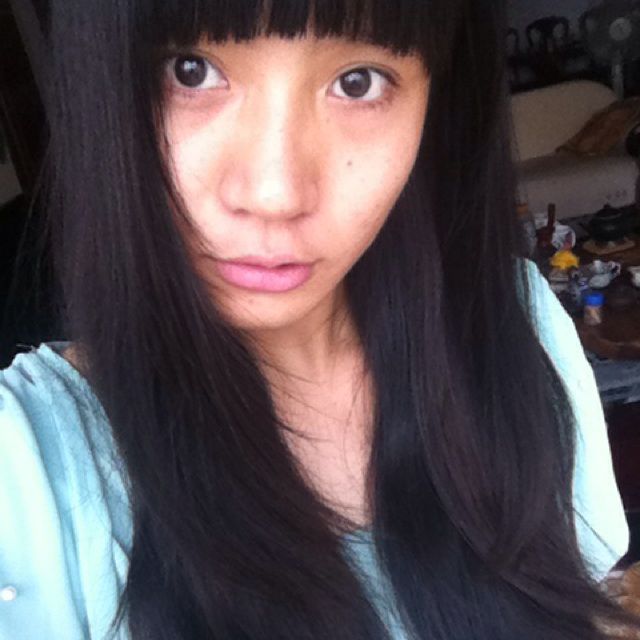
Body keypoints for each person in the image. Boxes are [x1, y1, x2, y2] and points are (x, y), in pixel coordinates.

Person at [0, 1, 636, 638]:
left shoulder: (521, 326)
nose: (275, 194)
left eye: (358, 82)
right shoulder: (28, 474)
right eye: (192, 71)